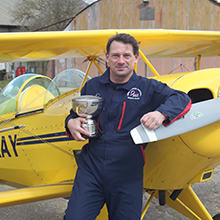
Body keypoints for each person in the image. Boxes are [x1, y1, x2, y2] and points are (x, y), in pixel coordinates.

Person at [64, 33, 192, 220]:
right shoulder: (92, 86)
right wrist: (70, 122)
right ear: (107, 58)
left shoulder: (148, 88)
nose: (121, 60)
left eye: (127, 56)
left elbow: (182, 99)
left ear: (136, 58)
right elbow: (76, 115)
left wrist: (161, 113)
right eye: (115, 55)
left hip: (127, 173)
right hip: (91, 170)